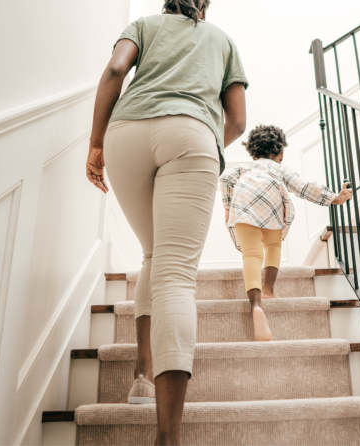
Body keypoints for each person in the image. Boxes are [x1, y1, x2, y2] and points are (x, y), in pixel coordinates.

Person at [85, 0, 247, 443]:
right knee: (176, 274)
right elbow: (238, 120)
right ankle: (168, 435)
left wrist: (96, 143)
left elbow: (116, 71)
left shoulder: (143, 24)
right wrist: (206, 137)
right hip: (190, 134)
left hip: (126, 134)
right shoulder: (222, 41)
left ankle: (141, 374)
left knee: (154, 255)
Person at [220, 125, 352, 341]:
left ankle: (255, 305)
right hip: (270, 206)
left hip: (242, 207)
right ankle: (268, 290)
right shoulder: (279, 169)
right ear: (279, 152)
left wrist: (227, 206)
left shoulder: (242, 170)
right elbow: (303, 187)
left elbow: (225, 179)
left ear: (252, 152)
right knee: (272, 246)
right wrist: (334, 198)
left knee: (251, 254)